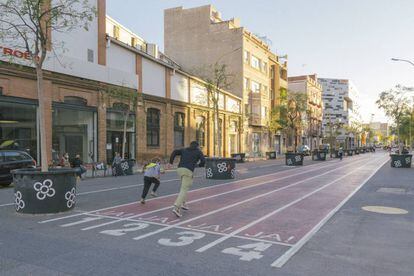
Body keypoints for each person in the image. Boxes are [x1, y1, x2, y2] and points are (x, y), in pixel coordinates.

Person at [169, 141, 205, 218]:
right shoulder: (198, 152)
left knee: (184, 186)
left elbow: (175, 152)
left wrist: (171, 162)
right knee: (184, 189)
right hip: (188, 171)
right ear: (197, 146)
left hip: (180, 169)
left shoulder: (184, 150)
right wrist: (198, 165)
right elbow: (203, 161)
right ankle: (176, 207)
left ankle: (183, 203)